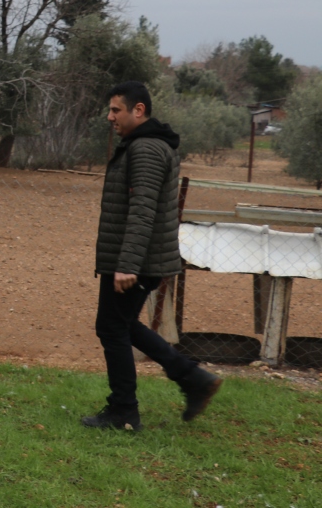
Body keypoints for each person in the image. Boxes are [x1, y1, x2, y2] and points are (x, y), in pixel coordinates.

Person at [82, 81, 222, 431]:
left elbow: (142, 211)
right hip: (140, 258)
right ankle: (193, 379)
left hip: (136, 261)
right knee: (120, 325)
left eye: (116, 110)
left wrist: (127, 263)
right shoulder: (142, 145)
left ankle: (123, 411)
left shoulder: (144, 149)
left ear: (138, 110)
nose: (109, 116)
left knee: (112, 327)